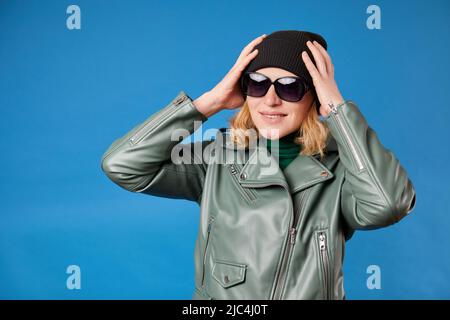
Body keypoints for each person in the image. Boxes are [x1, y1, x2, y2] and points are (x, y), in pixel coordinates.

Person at [101, 30, 416, 300]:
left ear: (315, 98)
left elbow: (389, 204)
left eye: (290, 87)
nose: (270, 100)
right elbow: (122, 165)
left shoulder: (342, 170)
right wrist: (207, 103)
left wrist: (338, 111)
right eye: (257, 84)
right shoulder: (219, 158)